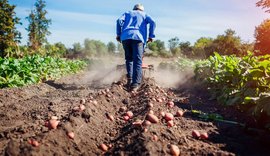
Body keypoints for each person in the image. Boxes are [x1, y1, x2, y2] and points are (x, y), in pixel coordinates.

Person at [116, 4, 156, 91]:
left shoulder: (127, 13)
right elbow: (152, 22)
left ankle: (129, 79)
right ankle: (135, 84)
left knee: (129, 59)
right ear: (141, 10)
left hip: (125, 37)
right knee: (138, 60)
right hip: (138, 38)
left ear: (134, 9)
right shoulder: (144, 14)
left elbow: (119, 20)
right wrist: (151, 36)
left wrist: (118, 34)